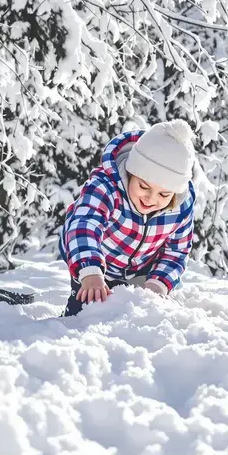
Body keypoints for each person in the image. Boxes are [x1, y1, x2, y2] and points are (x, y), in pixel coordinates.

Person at [59, 121, 196, 317]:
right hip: (93, 259)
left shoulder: (181, 206)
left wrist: (158, 283)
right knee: (86, 314)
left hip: (142, 267)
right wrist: (90, 271)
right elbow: (84, 225)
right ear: (130, 173)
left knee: (141, 316)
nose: (151, 199)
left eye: (164, 194)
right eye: (144, 187)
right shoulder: (105, 187)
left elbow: (177, 251)